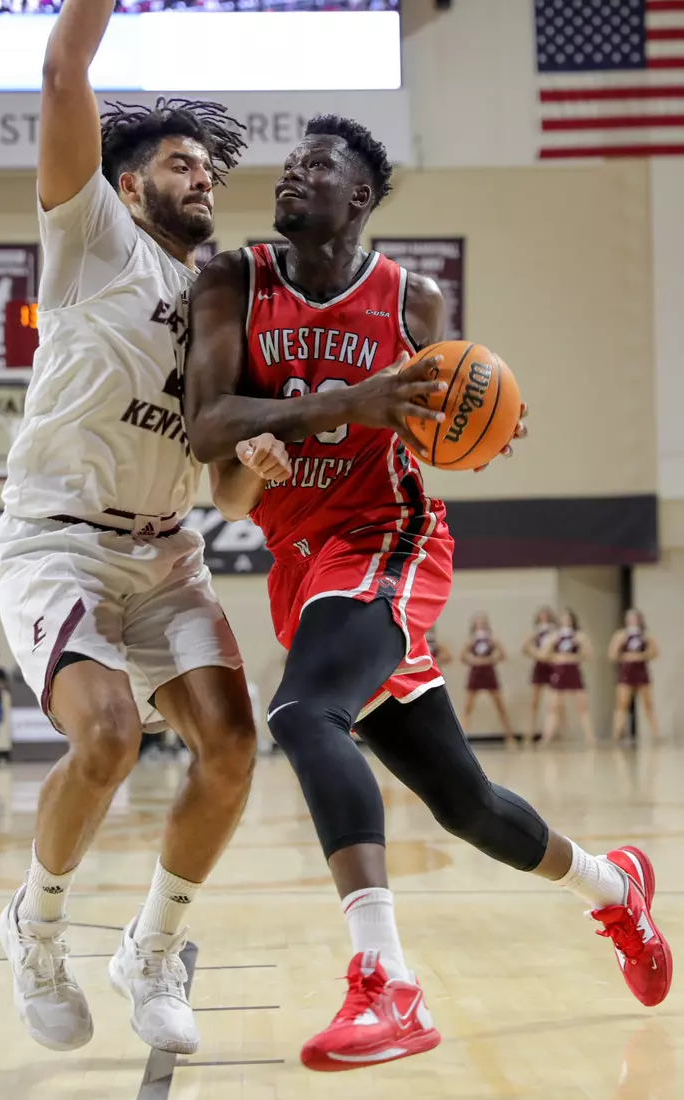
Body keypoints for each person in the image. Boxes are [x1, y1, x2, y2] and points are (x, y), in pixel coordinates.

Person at [184, 115, 672, 1071]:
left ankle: (386, 985)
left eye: (316, 167)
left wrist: (482, 420)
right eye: (289, 166)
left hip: (388, 542)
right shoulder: (231, 279)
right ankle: (616, 889)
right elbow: (206, 427)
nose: (293, 178)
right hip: (301, 560)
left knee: (302, 711)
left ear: (358, 196)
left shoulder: (412, 300)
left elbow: (439, 417)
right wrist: (332, 408)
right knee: (465, 804)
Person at [0, 0, 253, 1058]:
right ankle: (37, 925)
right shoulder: (93, 236)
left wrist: (260, 463)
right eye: (183, 164)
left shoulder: (224, 308)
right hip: (59, 540)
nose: (204, 179)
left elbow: (230, 491)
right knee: (105, 734)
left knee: (233, 748)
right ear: (131, 181)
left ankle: (151, 949)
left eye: (210, 169)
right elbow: (63, 70)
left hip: (169, 553)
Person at [460, 612, 516, 748]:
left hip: (489, 673)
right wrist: (474, 660)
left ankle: (510, 738)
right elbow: (463, 656)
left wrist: (490, 659)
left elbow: (502, 655)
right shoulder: (470, 640)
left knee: (500, 706)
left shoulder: (492, 638)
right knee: (468, 708)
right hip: (475, 673)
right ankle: (461, 740)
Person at [541, 609, 596, 746]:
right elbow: (543, 655)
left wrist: (575, 656)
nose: (565, 621)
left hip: (573, 671)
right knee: (553, 706)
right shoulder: (554, 636)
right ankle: (546, 738)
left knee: (582, 706)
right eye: (562, 618)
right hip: (559, 671)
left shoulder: (579, 636)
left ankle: (590, 738)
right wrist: (555, 656)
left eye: (568, 618)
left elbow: (589, 654)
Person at [608, 609, 661, 744]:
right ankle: (616, 735)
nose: (631, 620)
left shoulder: (646, 635)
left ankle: (656, 735)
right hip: (626, 672)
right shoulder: (620, 635)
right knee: (622, 704)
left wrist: (642, 655)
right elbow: (612, 655)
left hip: (641, 672)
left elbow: (655, 652)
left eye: (634, 617)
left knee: (648, 705)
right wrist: (624, 654)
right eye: (629, 617)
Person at [521, 606, 557, 745]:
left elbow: (550, 652)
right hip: (539, 667)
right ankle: (529, 734)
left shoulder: (554, 633)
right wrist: (537, 652)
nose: (543, 620)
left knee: (555, 703)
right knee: (534, 703)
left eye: (546, 617)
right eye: (541, 617)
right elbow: (526, 649)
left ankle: (552, 734)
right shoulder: (535, 633)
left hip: (553, 667)